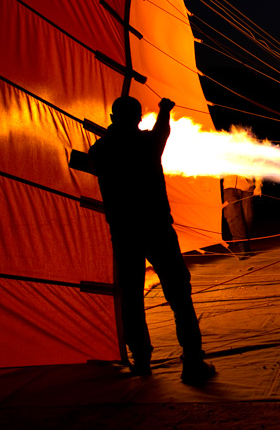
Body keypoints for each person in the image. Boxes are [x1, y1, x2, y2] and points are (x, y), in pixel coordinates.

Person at [89, 96, 216, 385]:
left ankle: (141, 359)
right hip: (158, 229)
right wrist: (164, 110)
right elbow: (162, 131)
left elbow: (97, 164)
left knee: (132, 297)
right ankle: (192, 361)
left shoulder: (101, 149)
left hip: (125, 233)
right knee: (179, 295)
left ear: (112, 117)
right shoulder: (147, 144)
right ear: (137, 118)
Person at [222, 174, 262, 256]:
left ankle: (245, 244)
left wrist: (258, 186)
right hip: (229, 186)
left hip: (247, 187)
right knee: (232, 214)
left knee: (248, 216)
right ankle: (242, 244)